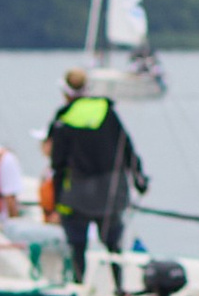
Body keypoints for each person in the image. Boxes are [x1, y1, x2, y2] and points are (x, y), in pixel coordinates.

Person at [46, 71, 148, 269]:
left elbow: (57, 165)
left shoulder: (63, 119)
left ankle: (79, 284)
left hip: (76, 196)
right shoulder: (107, 111)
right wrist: (138, 178)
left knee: (77, 246)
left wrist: (56, 202)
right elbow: (126, 147)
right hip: (111, 192)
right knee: (113, 246)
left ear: (65, 92)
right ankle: (119, 287)